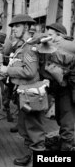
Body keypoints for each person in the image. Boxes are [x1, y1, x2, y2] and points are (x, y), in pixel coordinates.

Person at [0, 14, 46, 166]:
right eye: (12, 27)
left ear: (26, 27)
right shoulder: (21, 46)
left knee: (33, 127)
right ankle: (30, 153)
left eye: (17, 26)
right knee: (25, 126)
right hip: (23, 93)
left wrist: (8, 70)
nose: (13, 29)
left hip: (30, 94)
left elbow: (30, 72)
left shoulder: (29, 48)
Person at [40, 23, 75, 151]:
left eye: (50, 35)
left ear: (59, 35)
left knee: (67, 118)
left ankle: (67, 148)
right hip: (62, 87)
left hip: (68, 89)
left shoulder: (62, 46)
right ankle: (65, 142)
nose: (48, 38)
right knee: (62, 117)